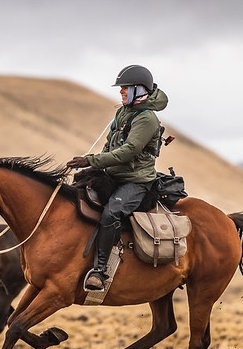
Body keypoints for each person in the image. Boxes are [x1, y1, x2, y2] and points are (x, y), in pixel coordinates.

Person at [67, 65, 169, 291]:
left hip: (137, 182)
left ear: (139, 90)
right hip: (114, 175)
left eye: (125, 88)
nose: (121, 92)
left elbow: (129, 151)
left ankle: (100, 271)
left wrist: (91, 161)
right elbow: (109, 145)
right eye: (121, 88)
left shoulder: (147, 119)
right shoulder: (123, 112)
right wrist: (91, 167)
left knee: (112, 211)